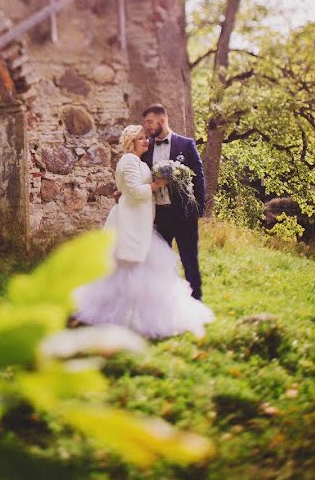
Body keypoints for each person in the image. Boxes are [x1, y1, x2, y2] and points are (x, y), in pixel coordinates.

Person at [71, 125, 213, 339]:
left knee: (138, 268)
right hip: (129, 222)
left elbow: (128, 188)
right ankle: (114, 315)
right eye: (141, 138)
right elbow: (136, 191)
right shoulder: (128, 160)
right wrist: (157, 184)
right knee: (127, 267)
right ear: (131, 143)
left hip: (140, 221)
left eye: (146, 138)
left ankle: (135, 316)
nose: (146, 141)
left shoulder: (137, 161)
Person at [141, 104, 206, 300]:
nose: (147, 126)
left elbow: (199, 177)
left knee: (189, 260)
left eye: (150, 122)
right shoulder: (147, 148)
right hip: (160, 215)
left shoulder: (186, 145)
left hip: (184, 214)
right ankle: (165, 300)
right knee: (161, 261)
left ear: (163, 120)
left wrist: (198, 209)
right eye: (145, 123)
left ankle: (196, 302)